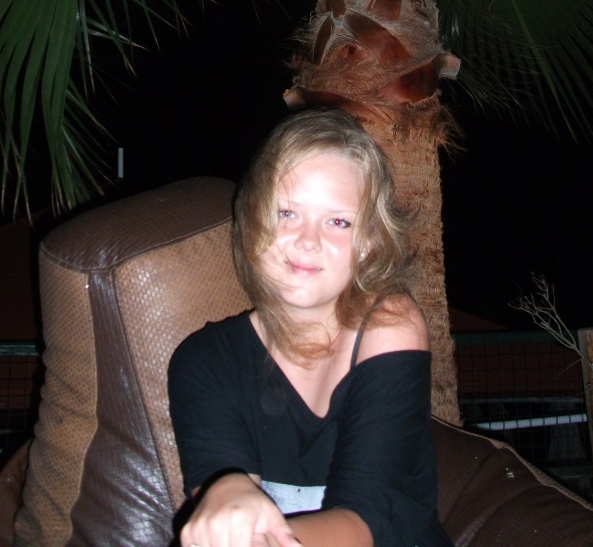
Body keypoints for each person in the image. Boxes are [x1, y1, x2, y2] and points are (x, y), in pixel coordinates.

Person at [168, 108, 454, 547]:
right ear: (253, 219)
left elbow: (372, 517)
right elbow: (221, 486)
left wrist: (266, 541)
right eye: (287, 213)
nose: (308, 241)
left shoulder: (389, 324)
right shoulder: (204, 361)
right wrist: (227, 492)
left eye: (338, 222)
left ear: (368, 243)